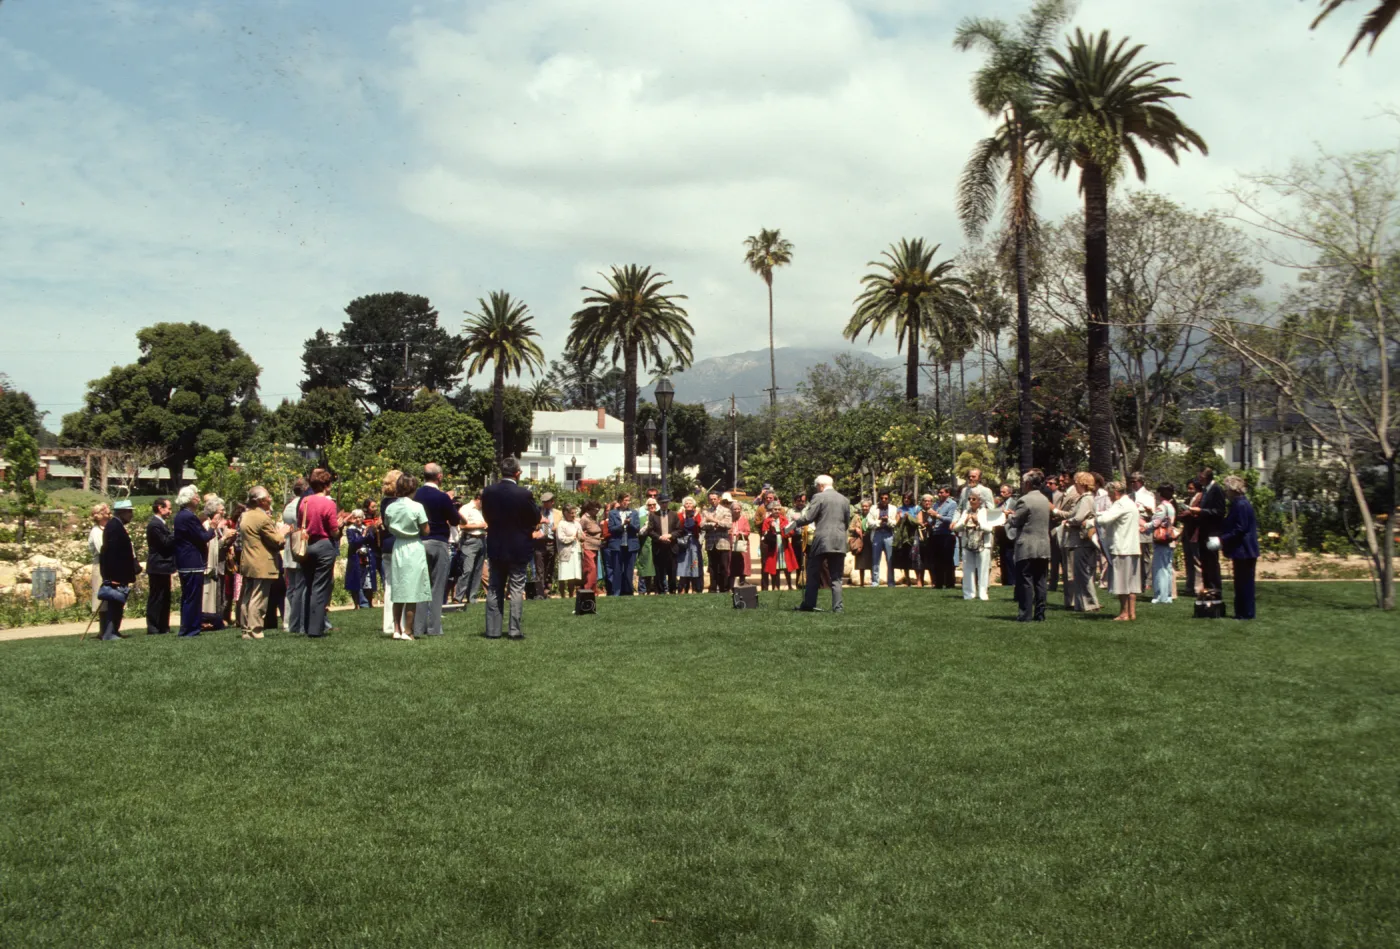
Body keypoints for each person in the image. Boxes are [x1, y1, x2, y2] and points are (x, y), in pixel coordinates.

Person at [481, 457, 538, 640]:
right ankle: (514, 630)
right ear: (517, 473)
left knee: (494, 588)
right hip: (518, 546)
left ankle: (492, 630)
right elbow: (535, 517)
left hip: (496, 545)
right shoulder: (523, 494)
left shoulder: (488, 492)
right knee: (516, 588)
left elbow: (487, 515)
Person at [786, 474, 853, 613]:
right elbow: (847, 521)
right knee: (836, 577)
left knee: (813, 572)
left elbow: (809, 518)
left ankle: (809, 604)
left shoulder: (819, 497)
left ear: (821, 486)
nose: (816, 489)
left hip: (822, 540)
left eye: (817, 487)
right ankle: (838, 607)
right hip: (839, 540)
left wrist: (794, 523)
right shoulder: (844, 500)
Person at [413, 463, 461, 636]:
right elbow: (455, 520)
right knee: (437, 586)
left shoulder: (415, 495)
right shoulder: (442, 497)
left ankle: (417, 627)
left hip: (419, 542)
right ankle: (434, 628)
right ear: (439, 477)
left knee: (420, 586)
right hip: (438, 540)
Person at [237, 486, 288, 640]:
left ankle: (246, 630)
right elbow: (277, 540)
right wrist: (283, 532)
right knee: (259, 597)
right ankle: (255, 630)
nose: (270, 499)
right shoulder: (262, 518)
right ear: (260, 501)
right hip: (261, 562)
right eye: (268, 497)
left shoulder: (245, 515)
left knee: (248, 596)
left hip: (248, 561)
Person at [386, 473, 431, 641]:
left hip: (398, 546)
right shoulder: (417, 507)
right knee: (412, 591)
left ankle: (396, 628)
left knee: (399, 589)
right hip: (413, 546)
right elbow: (425, 530)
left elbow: (387, 525)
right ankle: (408, 630)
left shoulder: (390, 507)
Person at [299, 468, 340, 639]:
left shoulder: (305, 501)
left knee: (308, 586)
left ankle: (306, 625)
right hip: (324, 545)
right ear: (326, 485)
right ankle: (316, 629)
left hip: (308, 544)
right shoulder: (329, 503)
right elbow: (333, 530)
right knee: (320, 587)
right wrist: (341, 525)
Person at [1007, 469, 1052, 622]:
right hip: (1043, 545)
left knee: (1025, 580)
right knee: (1040, 580)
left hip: (1027, 545)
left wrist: (1008, 515)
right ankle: (1040, 614)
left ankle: (1025, 614)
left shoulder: (1024, 500)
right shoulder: (1045, 500)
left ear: (1027, 483)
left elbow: (1016, 520)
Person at [1095, 480, 1143, 621]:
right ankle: (1132, 612)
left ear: (1115, 492)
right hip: (1133, 547)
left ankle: (1124, 613)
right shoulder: (1131, 503)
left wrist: (1095, 514)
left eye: (1109, 494)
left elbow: (1105, 519)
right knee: (1132, 584)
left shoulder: (1120, 504)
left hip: (1122, 548)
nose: (1109, 497)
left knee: (1122, 583)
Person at [1213, 475, 1260, 620]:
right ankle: (1242, 612)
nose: (1226, 493)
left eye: (1227, 490)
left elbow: (1240, 528)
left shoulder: (1240, 504)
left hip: (1244, 550)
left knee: (1244, 583)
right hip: (1243, 549)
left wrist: (1222, 539)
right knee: (1241, 582)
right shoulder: (1240, 503)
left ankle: (1245, 613)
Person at [93, 500, 139, 640]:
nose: (131, 515)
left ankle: (114, 631)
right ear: (121, 512)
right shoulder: (114, 527)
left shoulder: (116, 526)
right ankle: (109, 633)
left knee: (118, 604)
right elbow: (109, 554)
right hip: (115, 575)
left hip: (120, 574)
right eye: (129, 511)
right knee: (114, 604)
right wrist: (111, 577)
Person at [173, 485, 214, 637]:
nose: (198, 498)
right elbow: (203, 537)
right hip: (191, 562)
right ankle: (191, 628)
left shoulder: (181, 516)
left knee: (187, 597)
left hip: (185, 562)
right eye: (196, 496)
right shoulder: (189, 517)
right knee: (193, 597)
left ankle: (187, 627)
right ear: (190, 499)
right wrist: (213, 528)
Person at [1058, 472, 1101, 613]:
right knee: (1080, 573)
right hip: (1078, 540)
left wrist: (1068, 522)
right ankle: (1082, 603)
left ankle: (1090, 603)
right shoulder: (1083, 498)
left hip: (1082, 540)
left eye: (1076, 482)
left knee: (1083, 573)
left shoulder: (1086, 499)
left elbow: (1078, 517)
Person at [952, 493, 1001, 601]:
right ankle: (969, 594)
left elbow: (989, 529)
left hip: (983, 544)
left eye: (973, 499)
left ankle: (983, 594)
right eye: (969, 499)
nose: (971, 501)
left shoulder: (985, 512)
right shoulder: (966, 512)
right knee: (968, 569)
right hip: (967, 543)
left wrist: (977, 522)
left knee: (983, 569)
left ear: (980, 501)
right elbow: (956, 528)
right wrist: (964, 522)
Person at [375, 470, 403, 637]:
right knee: (400, 585)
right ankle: (399, 623)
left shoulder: (385, 502)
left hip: (386, 546)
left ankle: (389, 624)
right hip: (397, 544)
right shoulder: (401, 503)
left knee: (389, 585)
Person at [281, 477, 309, 634]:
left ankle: (287, 622)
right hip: (298, 548)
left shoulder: (288, 506)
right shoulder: (302, 505)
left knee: (290, 588)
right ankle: (296, 623)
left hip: (287, 549)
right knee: (299, 587)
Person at [144, 498, 175, 635]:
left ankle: (163, 625)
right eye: (168, 508)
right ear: (160, 508)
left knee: (165, 597)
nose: (170, 511)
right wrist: (177, 533)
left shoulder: (161, 524)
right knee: (156, 597)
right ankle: (153, 626)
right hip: (158, 566)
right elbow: (165, 542)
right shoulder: (154, 525)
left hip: (164, 566)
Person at [606, 492, 642, 596]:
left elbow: (637, 528)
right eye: (625, 500)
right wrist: (622, 525)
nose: (627, 502)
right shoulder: (613, 513)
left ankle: (628, 591)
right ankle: (616, 592)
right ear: (620, 501)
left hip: (631, 545)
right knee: (617, 569)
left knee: (629, 570)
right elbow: (611, 529)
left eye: (628, 500)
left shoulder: (634, 513)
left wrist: (629, 524)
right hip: (617, 545)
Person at [1149, 483, 1178, 605]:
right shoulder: (1171, 506)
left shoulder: (1161, 507)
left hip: (1162, 539)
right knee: (1167, 567)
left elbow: (1155, 523)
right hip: (1169, 539)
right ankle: (1167, 595)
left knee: (1160, 568)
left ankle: (1160, 595)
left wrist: (1143, 525)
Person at [642, 497, 678, 594]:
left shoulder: (674, 514)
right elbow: (650, 530)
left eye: (666, 503)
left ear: (668, 503)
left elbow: (679, 530)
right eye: (662, 503)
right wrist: (660, 537)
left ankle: (672, 590)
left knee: (672, 570)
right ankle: (660, 591)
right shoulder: (653, 515)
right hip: (659, 546)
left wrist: (670, 535)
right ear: (659, 503)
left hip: (671, 545)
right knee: (659, 570)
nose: (664, 505)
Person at [1130, 472, 1157, 599]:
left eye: (1134, 481)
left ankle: (1147, 582)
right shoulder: (1130, 496)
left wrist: (1145, 510)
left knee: (1145, 556)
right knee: (1136, 556)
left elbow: (1153, 513)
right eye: (1131, 481)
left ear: (1140, 481)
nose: (1132, 484)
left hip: (1144, 527)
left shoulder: (1148, 495)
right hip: (1132, 527)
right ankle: (1137, 582)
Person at [343, 510, 377, 609]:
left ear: (363, 518)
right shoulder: (350, 530)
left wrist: (371, 531)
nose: (358, 519)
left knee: (368, 580)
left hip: (367, 557)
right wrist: (363, 535)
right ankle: (357, 604)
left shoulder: (365, 528)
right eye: (356, 517)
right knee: (356, 581)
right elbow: (353, 543)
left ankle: (369, 603)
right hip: (355, 558)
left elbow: (371, 541)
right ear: (353, 519)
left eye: (360, 517)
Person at [700, 491, 733, 593]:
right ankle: (713, 588)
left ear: (719, 499)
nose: (713, 501)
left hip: (723, 542)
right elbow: (701, 525)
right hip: (711, 543)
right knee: (712, 567)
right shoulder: (706, 511)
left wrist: (714, 521)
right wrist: (713, 525)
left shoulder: (726, 511)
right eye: (711, 499)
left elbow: (728, 525)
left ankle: (724, 588)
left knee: (723, 567)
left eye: (715, 499)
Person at [532, 491, 562, 600]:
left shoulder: (558, 513)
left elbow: (562, 526)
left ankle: (547, 591)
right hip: (540, 543)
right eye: (543, 502)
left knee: (550, 568)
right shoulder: (537, 512)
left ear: (552, 502)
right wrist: (540, 526)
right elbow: (532, 525)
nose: (545, 504)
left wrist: (556, 528)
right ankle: (540, 592)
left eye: (547, 502)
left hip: (552, 543)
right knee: (540, 569)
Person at [866, 491, 899, 588]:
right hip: (877, 534)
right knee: (875, 559)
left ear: (888, 499)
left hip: (889, 534)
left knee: (890, 559)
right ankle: (875, 582)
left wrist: (887, 520)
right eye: (882, 498)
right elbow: (869, 523)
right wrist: (880, 521)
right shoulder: (873, 508)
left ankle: (891, 582)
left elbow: (894, 523)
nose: (884, 500)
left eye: (886, 498)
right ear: (879, 499)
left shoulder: (893, 508)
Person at [761, 504, 797, 590]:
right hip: (773, 546)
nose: (777, 511)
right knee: (775, 567)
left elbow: (791, 532)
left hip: (784, 545)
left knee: (786, 566)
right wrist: (771, 529)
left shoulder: (784, 520)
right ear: (771, 510)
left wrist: (785, 532)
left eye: (778, 509)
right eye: (775, 509)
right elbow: (764, 533)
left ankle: (789, 585)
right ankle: (775, 587)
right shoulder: (767, 520)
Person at [1178, 479, 1203, 596]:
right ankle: (1189, 586)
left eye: (1191, 488)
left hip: (1196, 534)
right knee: (1188, 560)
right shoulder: (1188, 500)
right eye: (1188, 488)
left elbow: (1201, 514)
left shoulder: (1201, 498)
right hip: (1187, 533)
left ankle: (1198, 588)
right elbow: (1182, 515)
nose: (1189, 490)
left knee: (1197, 561)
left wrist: (1190, 513)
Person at [676, 496, 704, 593]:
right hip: (683, 542)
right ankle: (682, 587)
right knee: (683, 564)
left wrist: (695, 516)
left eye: (690, 503)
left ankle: (695, 587)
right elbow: (680, 526)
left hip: (694, 542)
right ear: (683, 505)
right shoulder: (680, 515)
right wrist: (683, 517)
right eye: (686, 503)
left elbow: (698, 525)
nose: (688, 505)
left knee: (694, 563)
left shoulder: (697, 515)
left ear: (693, 505)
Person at [894, 491, 920, 586]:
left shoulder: (916, 508)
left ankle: (918, 580)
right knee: (904, 558)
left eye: (908, 498)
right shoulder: (900, 509)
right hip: (903, 537)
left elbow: (918, 521)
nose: (906, 500)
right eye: (905, 498)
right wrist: (901, 518)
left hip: (913, 535)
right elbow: (896, 523)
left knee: (915, 557)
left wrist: (909, 517)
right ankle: (908, 579)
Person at [556, 504, 583, 598]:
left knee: (573, 574)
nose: (573, 515)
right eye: (571, 513)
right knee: (564, 574)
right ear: (565, 513)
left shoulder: (577, 523)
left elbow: (580, 535)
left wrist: (581, 536)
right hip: (565, 552)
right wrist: (572, 537)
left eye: (574, 513)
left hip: (576, 550)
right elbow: (561, 538)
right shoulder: (561, 524)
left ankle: (571, 594)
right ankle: (562, 595)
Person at [996, 483, 1018, 588]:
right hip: (1001, 533)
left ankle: (1012, 580)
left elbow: (1018, 516)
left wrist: (1010, 514)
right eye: (1000, 491)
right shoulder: (1000, 505)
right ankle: (1004, 580)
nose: (1001, 494)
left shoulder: (1015, 503)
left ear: (1010, 493)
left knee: (1010, 557)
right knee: (1003, 557)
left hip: (1011, 533)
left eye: (1003, 492)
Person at [579, 500, 603, 592]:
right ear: (590, 509)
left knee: (595, 569)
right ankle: (587, 590)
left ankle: (594, 590)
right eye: (596, 509)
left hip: (596, 547)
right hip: (588, 546)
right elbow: (579, 530)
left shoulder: (594, 518)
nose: (597, 511)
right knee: (591, 568)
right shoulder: (584, 518)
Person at [1044, 475, 1064, 592]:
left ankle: (1057, 582)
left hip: (1057, 528)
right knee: (1053, 558)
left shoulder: (1060, 496)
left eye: (1050, 483)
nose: (1048, 485)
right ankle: (1052, 582)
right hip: (1048, 528)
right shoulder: (1045, 495)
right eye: (1047, 483)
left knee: (1059, 557)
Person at [729, 499, 751, 587]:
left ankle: (742, 581)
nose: (737, 511)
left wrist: (740, 533)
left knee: (743, 562)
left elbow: (748, 532)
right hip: (731, 543)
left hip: (741, 543)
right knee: (731, 563)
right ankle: (731, 584)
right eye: (735, 509)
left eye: (738, 509)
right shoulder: (729, 519)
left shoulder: (744, 520)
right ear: (731, 510)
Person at [850, 499, 872, 586]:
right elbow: (850, 527)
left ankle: (873, 581)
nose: (864, 508)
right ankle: (862, 583)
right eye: (863, 506)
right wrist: (856, 528)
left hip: (870, 538)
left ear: (869, 507)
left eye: (866, 506)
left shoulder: (871, 515)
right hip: (860, 539)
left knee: (871, 561)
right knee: (861, 562)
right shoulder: (857, 516)